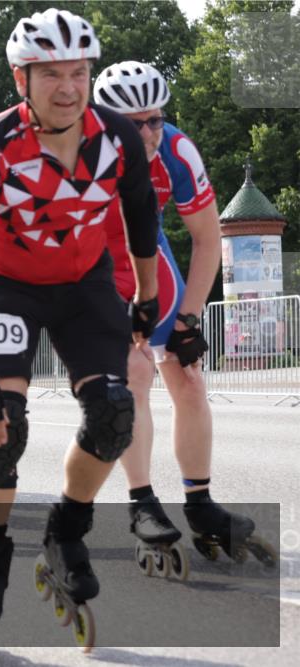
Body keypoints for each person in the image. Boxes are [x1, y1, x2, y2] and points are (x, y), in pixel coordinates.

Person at [0, 8, 161, 650]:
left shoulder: (117, 136)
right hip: (3, 284)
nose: (68, 87)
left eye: (79, 72)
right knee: (1, 422)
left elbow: (142, 219)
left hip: (83, 284)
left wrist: (146, 300)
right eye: (52, 75)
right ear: (21, 78)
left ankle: (67, 530)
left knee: (113, 415)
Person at [93, 61, 277, 572]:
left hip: (149, 264)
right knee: (134, 376)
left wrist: (190, 320)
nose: (150, 132)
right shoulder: (75, 152)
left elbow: (206, 236)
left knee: (189, 378)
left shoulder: (175, 149)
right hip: (91, 272)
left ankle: (199, 503)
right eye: (136, 124)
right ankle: (142, 502)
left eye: (155, 119)